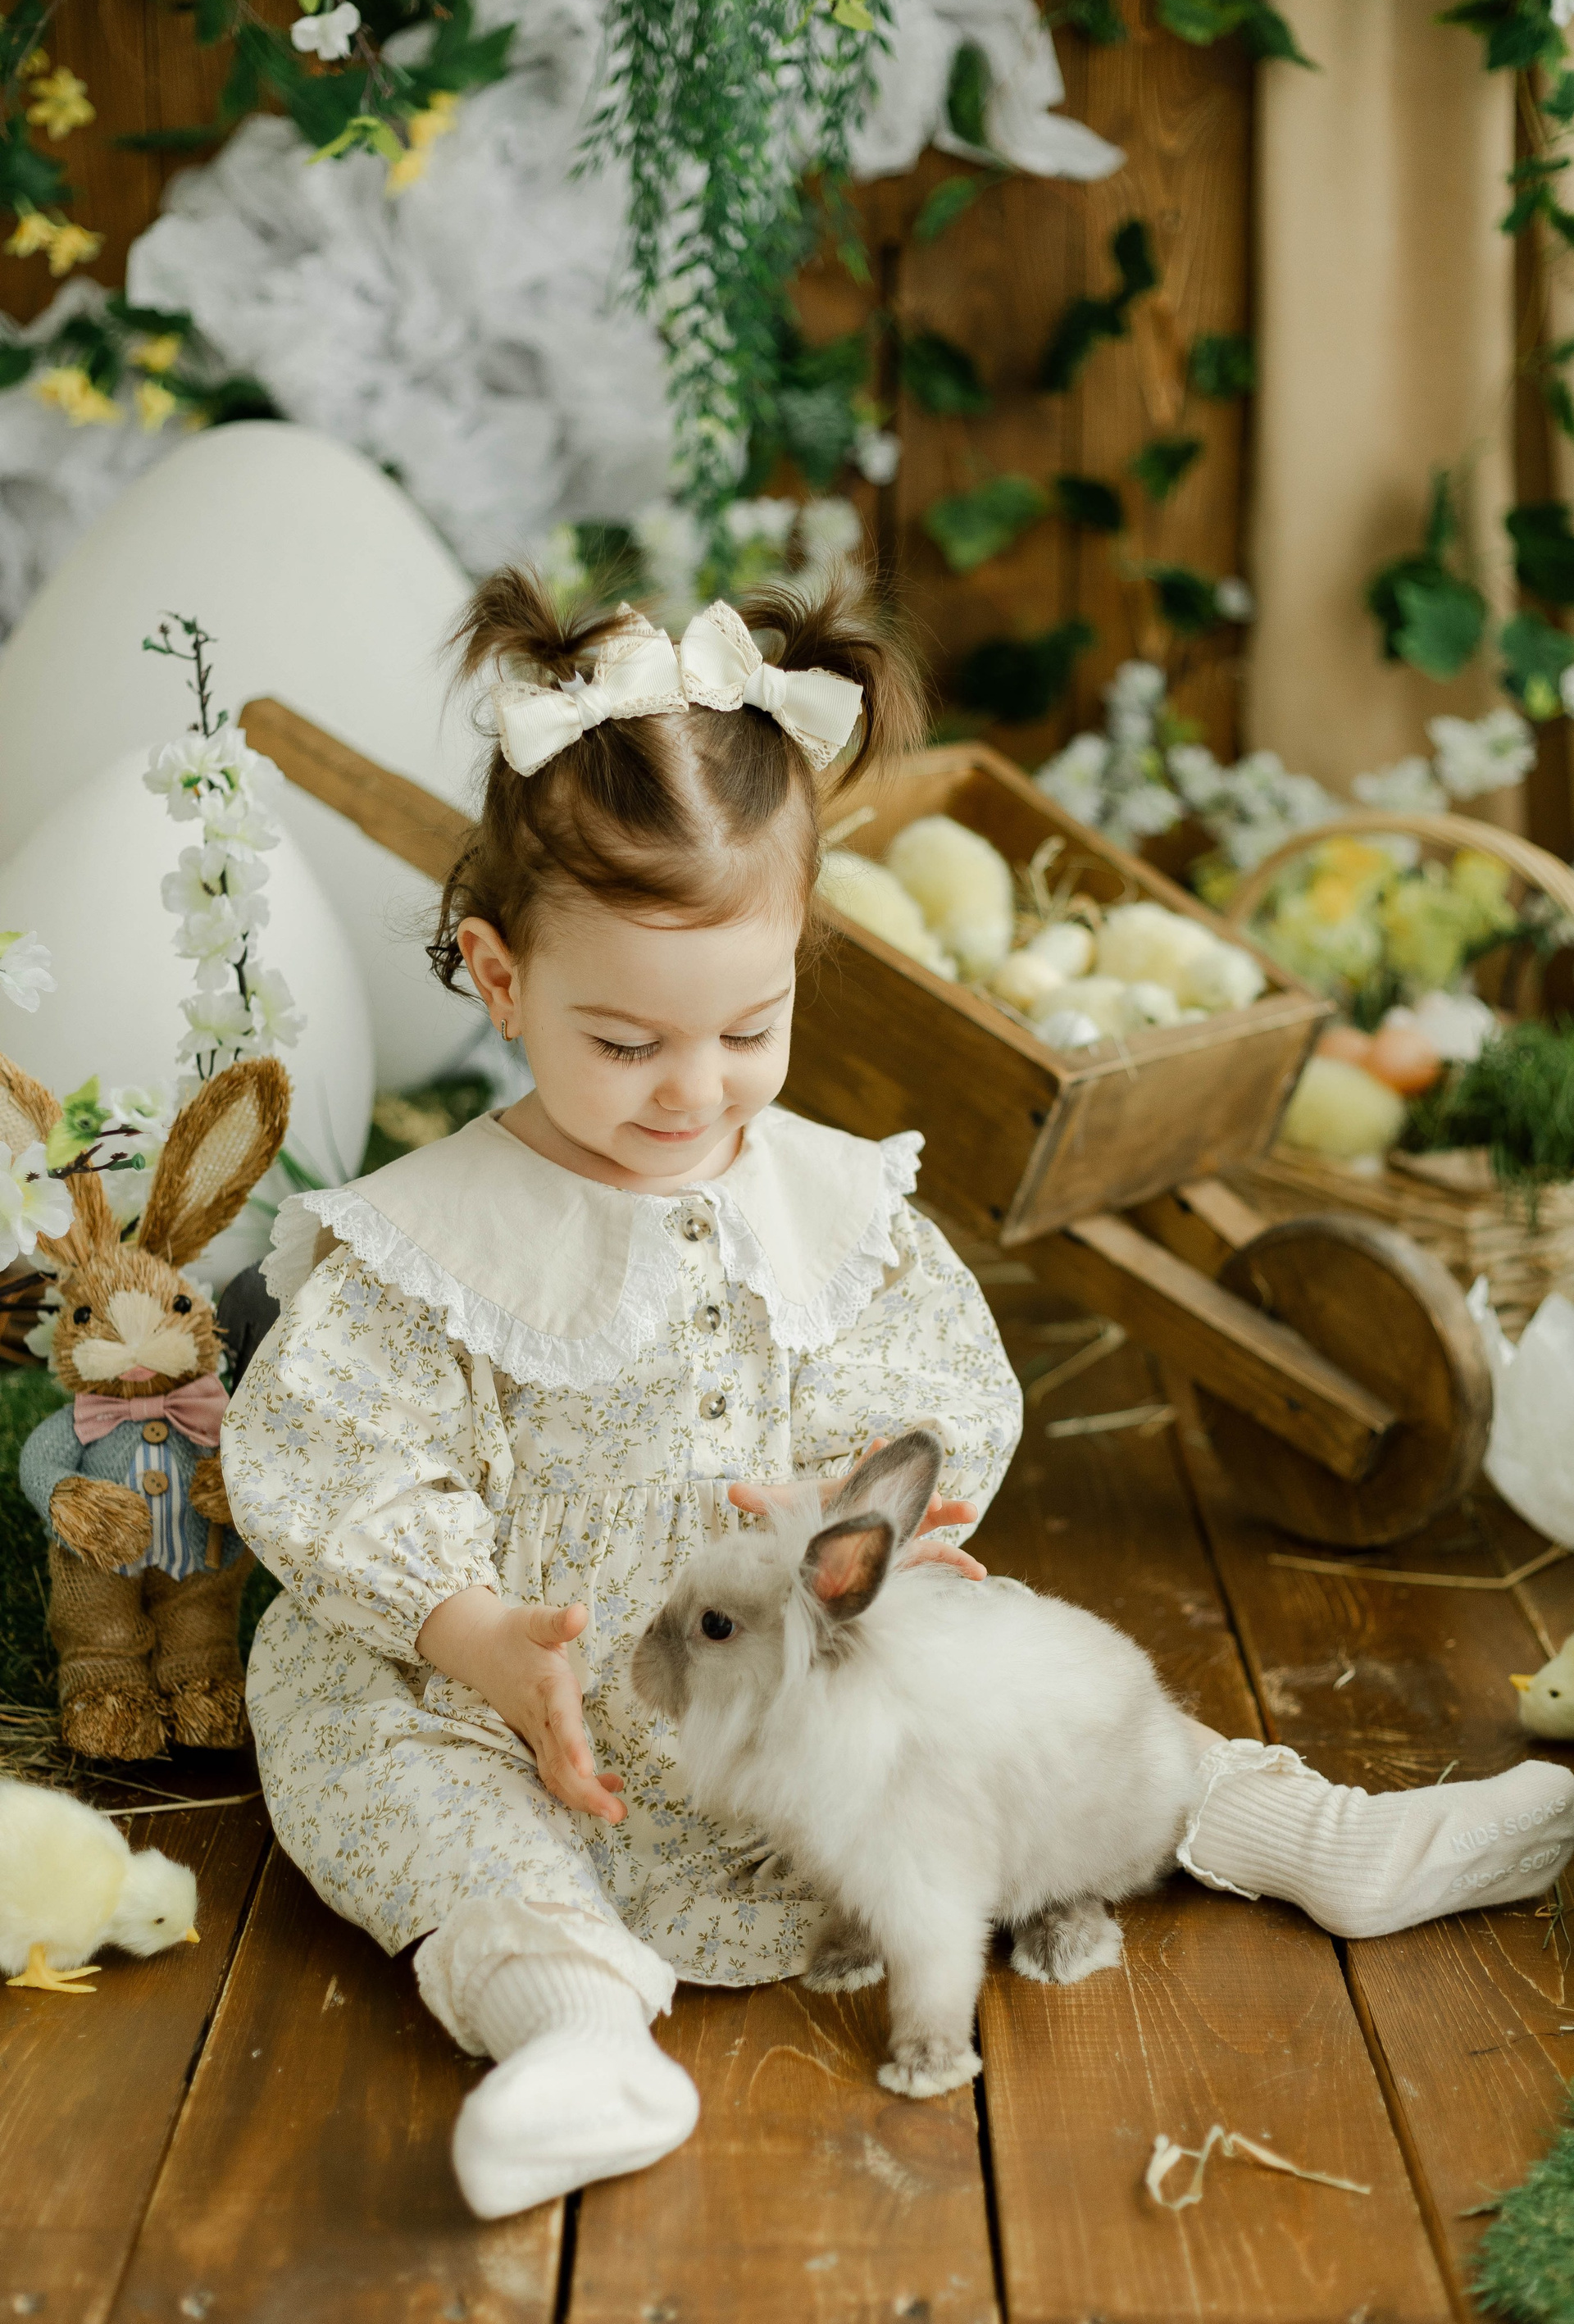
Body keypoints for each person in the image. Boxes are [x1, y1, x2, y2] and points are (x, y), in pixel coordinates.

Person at [222, 568, 1574, 2222]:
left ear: (799, 964)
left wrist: (874, 1516)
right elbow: (338, 1458)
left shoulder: (829, 1197)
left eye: (749, 1030)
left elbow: (924, 1395)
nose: (695, 1090)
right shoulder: (432, 1240)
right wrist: (471, 1629)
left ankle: (1303, 1836)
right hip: (520, 1704)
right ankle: (574, 2033)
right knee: (391, 1767)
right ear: (500, 982)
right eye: (627, 1044)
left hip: (800, 1687)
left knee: (1022, 1695)